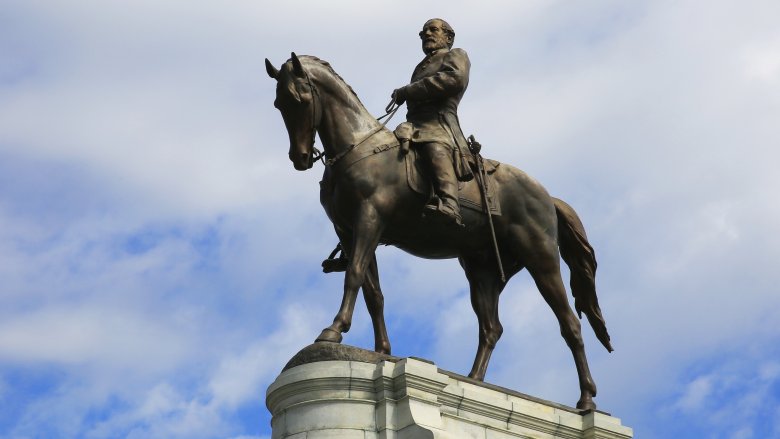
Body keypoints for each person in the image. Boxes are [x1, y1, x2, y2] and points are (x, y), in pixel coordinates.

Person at [391, 18, 473, 226]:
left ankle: (450, 204)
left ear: (448, 37)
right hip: (413, 125)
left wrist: (408, 91)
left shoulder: (456, 55)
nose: (426, 34)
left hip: (439, 125)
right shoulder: (420, 67)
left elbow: (454, 79)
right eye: (423, 32)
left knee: (434, 148)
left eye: (433, 30)